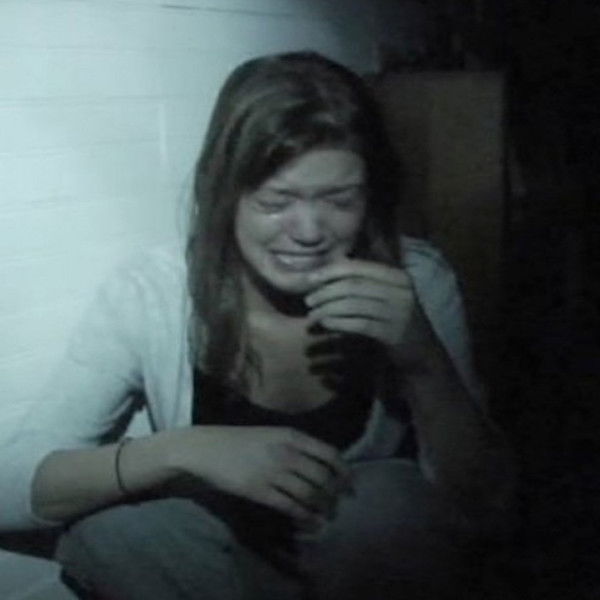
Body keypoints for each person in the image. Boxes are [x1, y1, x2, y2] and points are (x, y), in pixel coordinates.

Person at [3, 51, 515, 599]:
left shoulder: (416, 279)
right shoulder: (154, 291)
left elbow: (488, 503)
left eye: (340, 200)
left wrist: (423, 359)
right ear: (224, 194)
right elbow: (11, 489)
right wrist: (183, 449)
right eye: (276, 201)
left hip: (358, 566)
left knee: (386, 501)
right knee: (112, 533)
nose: (309, 230)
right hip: (217, 559)